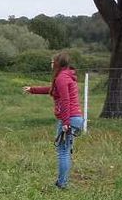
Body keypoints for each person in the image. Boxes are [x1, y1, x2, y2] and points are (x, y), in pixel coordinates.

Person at [23, 51, 85, 189]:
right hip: (74, 117)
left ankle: (62, 184)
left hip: (69, 118)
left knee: (63, 152)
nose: (51, 64)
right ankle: (63, 181)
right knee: (65, 150)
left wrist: (66, 123)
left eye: (52, 61)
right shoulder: (66, 76)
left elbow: (65, 100)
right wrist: (32, 89)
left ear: (57, 63)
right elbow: (52, 90)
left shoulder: (61, 78)